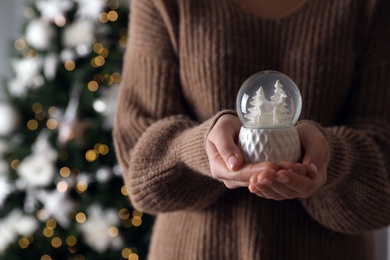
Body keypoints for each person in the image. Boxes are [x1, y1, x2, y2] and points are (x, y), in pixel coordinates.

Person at [113, 0, 390, 259]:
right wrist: (202, 148)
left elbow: (384, 191)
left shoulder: (369, 6)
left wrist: (331, 159)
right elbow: (139, 168)